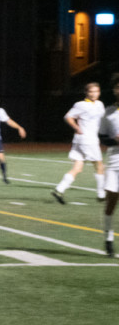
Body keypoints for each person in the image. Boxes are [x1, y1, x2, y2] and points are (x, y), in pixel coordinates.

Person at [51, 82, 106, 204]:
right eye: (91, 91)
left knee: (77, 167)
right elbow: (68, 117)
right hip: (87, 140)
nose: (94, 94)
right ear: (86, 93)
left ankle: (59, 189)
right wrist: (76, 127)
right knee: (99, 166)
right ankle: (101, 194)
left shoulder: (100, 104)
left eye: (96, 91)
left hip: (83, 140)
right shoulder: (81, 104)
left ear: (99, 92)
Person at [99, 79, 119, 257]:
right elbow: (102, 137)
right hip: (114, 160)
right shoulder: (109, 112)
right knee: (111, 202)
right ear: (115, 90)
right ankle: (108, 238)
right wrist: (115, 140)